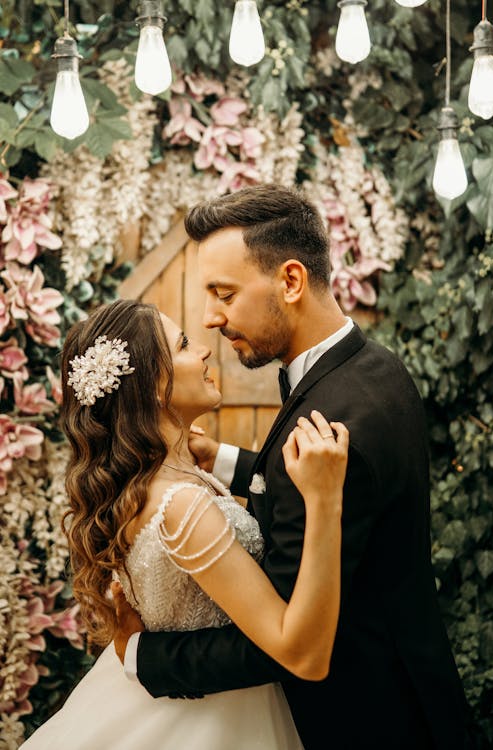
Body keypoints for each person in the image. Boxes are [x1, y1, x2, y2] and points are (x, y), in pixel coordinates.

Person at [113, 184, 473, 750]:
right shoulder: (371, 367)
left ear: (290, 281)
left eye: (224, 293)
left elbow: (283, 637)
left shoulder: (335, 418)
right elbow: (296, 492)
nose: (210, 319)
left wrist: (144, 657)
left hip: (367, 719)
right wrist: (225, 460)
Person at [20, 298, 349, 750]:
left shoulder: (152, 482)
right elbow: (299, 652)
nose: (205, 351)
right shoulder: (182, 507)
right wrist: (326, 499)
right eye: (185, 344)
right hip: (210, 724)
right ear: (156, 385)